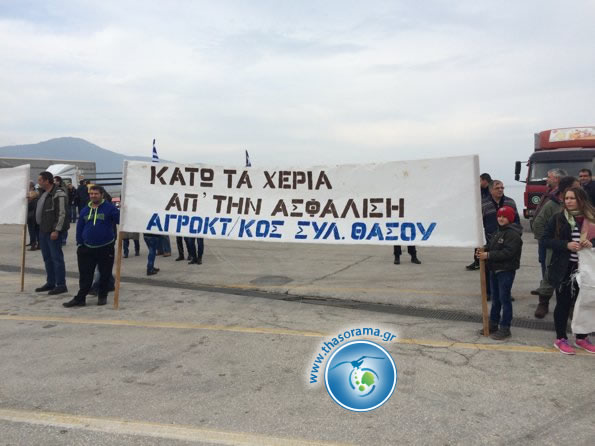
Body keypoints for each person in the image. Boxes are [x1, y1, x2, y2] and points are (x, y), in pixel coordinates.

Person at [542, 187, 595, 354]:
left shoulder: (591, 218)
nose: (569, 201)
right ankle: (561, 338)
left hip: (586, 269)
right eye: (566, 198)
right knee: (563, 303)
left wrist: (591, 243)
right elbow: (545, 240)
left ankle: (581, 337)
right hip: (565, 269)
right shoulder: (558, 218)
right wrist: (565, 245)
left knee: (585, 303)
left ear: (581, 199)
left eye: (572, 198)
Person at [63, 185, 120, 307]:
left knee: (105, 274)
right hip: (86, 248)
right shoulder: (85, 209)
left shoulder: (110, 208)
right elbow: (80, 227)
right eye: (91, 194)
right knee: (85, 275)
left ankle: (102, 296)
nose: (93, 196)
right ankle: (80, 298)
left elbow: (120, 220)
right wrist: (80, 243)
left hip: (105, 247)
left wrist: (125, 210)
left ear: (102, 195)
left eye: (96, 194)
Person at [531, 176, 579, 318]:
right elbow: (538, 224)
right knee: (549, 275)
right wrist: (549, 242)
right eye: (576, 186)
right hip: (555, 249)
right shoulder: (552, 205)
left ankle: (571, 306)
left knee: (573, 278)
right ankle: (543, 302)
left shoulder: (581, 205)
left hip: (573, 251)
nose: (580, 188)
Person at [476, 206, 523, 340]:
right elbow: (492, 246)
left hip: (505, 271)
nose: (501, 219)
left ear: (510, 218)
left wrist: (488, 255)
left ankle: (505, 327)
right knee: (495, 299)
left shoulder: (513, 234)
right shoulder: (498, 231)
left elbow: (508, 252)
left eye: (504, 217)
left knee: (504, 299)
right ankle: (493, 324)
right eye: (499, 216)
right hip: (494, 270)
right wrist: (483, 250)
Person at [481, 180, 522, 300]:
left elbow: (517, 221)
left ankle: (505, 293)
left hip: (508, 240)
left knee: (506, 269)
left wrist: (515, 234)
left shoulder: (510, 202)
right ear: (490, 190)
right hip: (490, 241)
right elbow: (479, 223)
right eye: (497, 188)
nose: (500, 190)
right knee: (489, 268)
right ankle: (489, 292)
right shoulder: (483, 204)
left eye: (502, 188)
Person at [34, 171, 70, 295]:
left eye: (40, 180)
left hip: (52, 232)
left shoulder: (58, 194)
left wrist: (56, 230)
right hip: (43, 230)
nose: (38, 182)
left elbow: (62, 213)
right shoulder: (43, 193)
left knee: (56, 259)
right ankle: (50, 282)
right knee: (47, 258)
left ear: (47, 181)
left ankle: (61, 284)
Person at [466, 173, 492, 270]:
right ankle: (477, 261)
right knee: (478, 240)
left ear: (485, 181)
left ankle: (486, 261)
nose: (478, 182)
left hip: (489, 219)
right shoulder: (480, 189)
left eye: (480, 180)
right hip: (480, 218)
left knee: (489, 241)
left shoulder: (492, 189)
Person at [26, 182, 40, 251]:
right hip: (35, 216)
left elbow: (29, 208)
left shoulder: (33, 197)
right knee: (37, 231)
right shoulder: (37, 196)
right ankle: (37, 244)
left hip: (31, 217)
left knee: (32, 231)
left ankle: (33, 245)